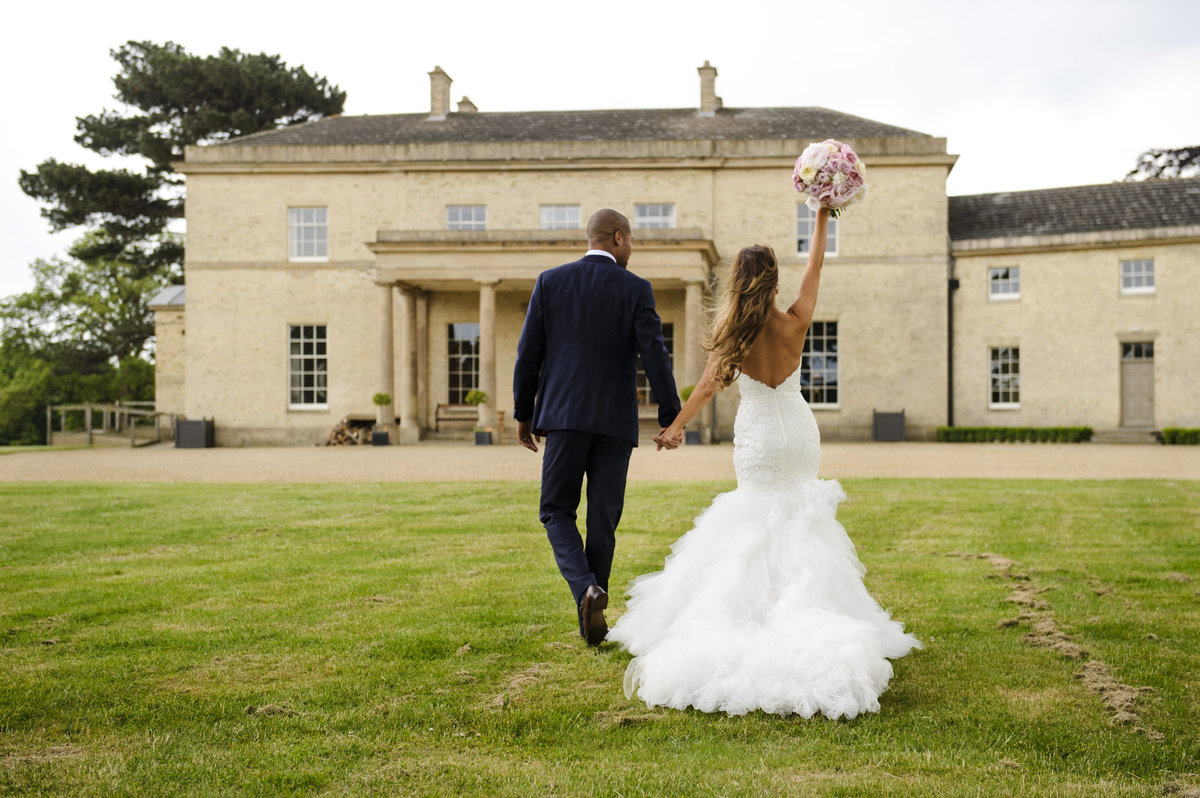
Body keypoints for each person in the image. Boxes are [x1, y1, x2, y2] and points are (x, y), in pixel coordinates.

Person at [608, 207, 921, 718]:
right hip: (799, 434)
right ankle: (807, 610)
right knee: (800, 519)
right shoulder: (796, 322)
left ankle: (750, 613)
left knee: (753, 519)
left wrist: (676, 426)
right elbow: (815, 265)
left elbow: (707, 388)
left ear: (737, 281)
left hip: (758, 441)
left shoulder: (734, 334)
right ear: (775, 282)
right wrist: (821, 216)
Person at [513, 208, 682, 647]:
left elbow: (528, 354)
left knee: (555, 510)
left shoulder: (550, 281)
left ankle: (587, 591)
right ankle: (594, 608)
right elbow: (655, 356)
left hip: (565, 418)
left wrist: (522, 413)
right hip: (614, 421)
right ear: (618, 238)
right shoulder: (636, 288)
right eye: (632, 241)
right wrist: (670, 416)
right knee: (603, 519)